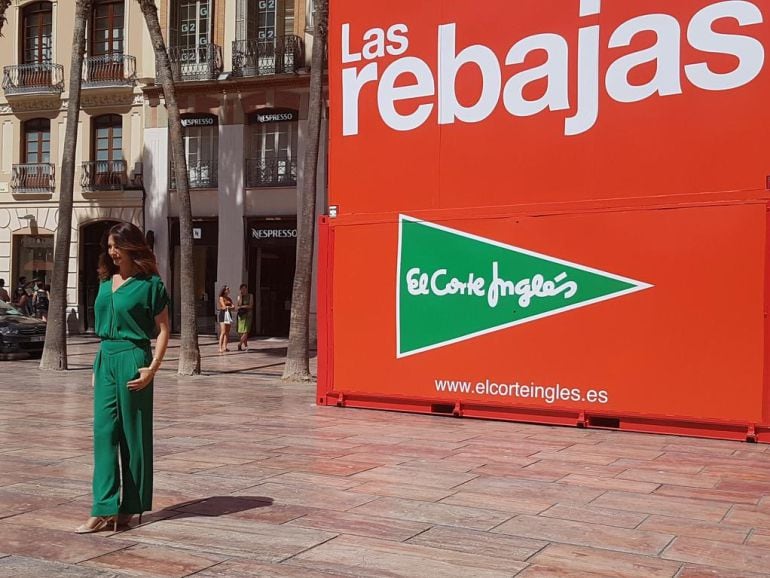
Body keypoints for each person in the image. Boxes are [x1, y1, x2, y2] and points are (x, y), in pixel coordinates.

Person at [75, 222, 170, 534]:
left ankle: (130, 507)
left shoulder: (151, 285)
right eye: (110, 247)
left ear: (132, 246)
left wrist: (152, 368)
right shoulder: (105, 282)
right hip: (106, 358)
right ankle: (102, 507)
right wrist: (96, 369)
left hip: (134, 358)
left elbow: (164, 330)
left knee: (133, 435)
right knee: (103, 433)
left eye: (117, 246)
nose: (112, 252)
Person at [236, 283, 254, 352]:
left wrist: (243, 306)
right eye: (242, 289)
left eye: (245, 288)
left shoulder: (250, 295)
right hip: (241, 316)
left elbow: (250, 305)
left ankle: (239, 344)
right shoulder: (239, 296)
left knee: (246, 331)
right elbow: (238, 305)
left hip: (248, 315)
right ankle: (246, 346)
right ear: (240, 289)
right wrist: (241, 296)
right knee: (241, 332)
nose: (244, 290)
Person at [218, 285, 234, 353]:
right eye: (227, 289)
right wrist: (229, 307)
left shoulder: (229, 299)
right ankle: (220, 347)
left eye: (228, 289)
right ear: (224, 290)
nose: (228, 290)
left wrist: (229, 307)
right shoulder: (221, 298)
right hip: (223, 314)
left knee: (227, 332)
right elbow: (224, 307)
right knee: (223, 331)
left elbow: (234, 307)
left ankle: (225, 347)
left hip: (229, 315)